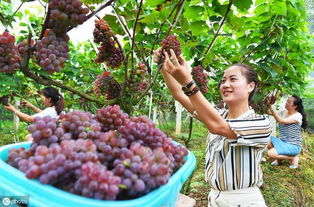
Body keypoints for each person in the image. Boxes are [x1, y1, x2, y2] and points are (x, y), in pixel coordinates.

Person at [153, 49, 271, 207]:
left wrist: (188, 83)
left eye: (233, 79)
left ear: (250, 86)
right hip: (214, 198)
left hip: (243, 201)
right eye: (223, 81)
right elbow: (178, 94)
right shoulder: (218, 115)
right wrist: (163, 65)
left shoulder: (260, 123)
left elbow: (218, 127)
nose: (225, 85)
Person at [267, 95, 307, 169]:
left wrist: (272, 109)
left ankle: (293, 157)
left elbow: (281, 121)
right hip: (283, 142)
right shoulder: (284, 112)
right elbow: (269, 112)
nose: (286, 103)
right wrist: (269, 104)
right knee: (267, 140)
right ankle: (279, 159)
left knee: (270, 153)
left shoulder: (297, 116)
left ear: (295, 106)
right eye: (287, 101)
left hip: (293, 145)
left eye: (289, 101)